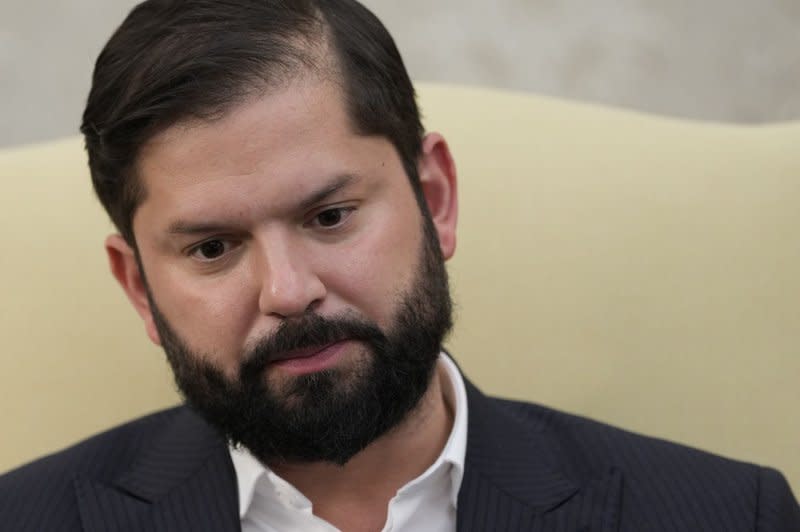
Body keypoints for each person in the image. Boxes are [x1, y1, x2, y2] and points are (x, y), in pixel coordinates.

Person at [1, 0, 798, 530]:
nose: (288, 292)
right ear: (139, 286)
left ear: (435, 197)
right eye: (212, 248)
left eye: (330, 217)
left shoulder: (729, 514)